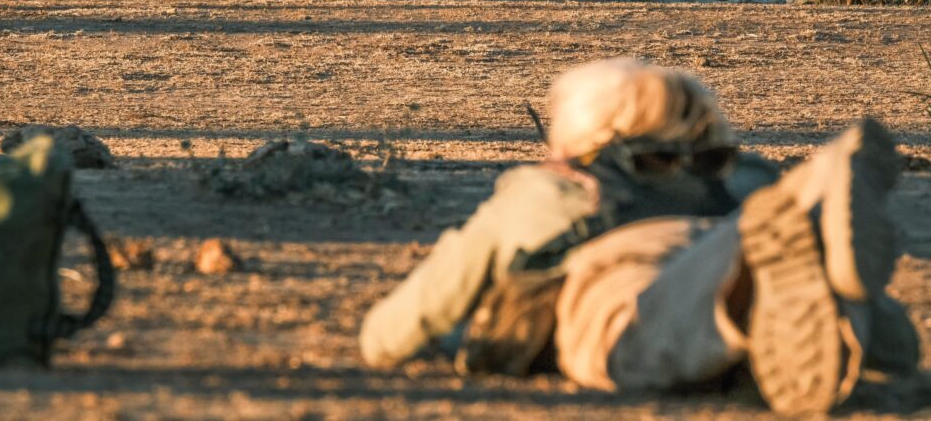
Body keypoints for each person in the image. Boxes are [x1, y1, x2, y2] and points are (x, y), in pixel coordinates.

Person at [359, 58, 919, 414]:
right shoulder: (737, 178)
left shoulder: (549, 191)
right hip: (722, 239)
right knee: (756, 256)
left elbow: (409, 319)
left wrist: (379, 338)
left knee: (643, 329)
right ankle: (827, 258)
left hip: (621, 276)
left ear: (573, 143)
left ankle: (754, 310)